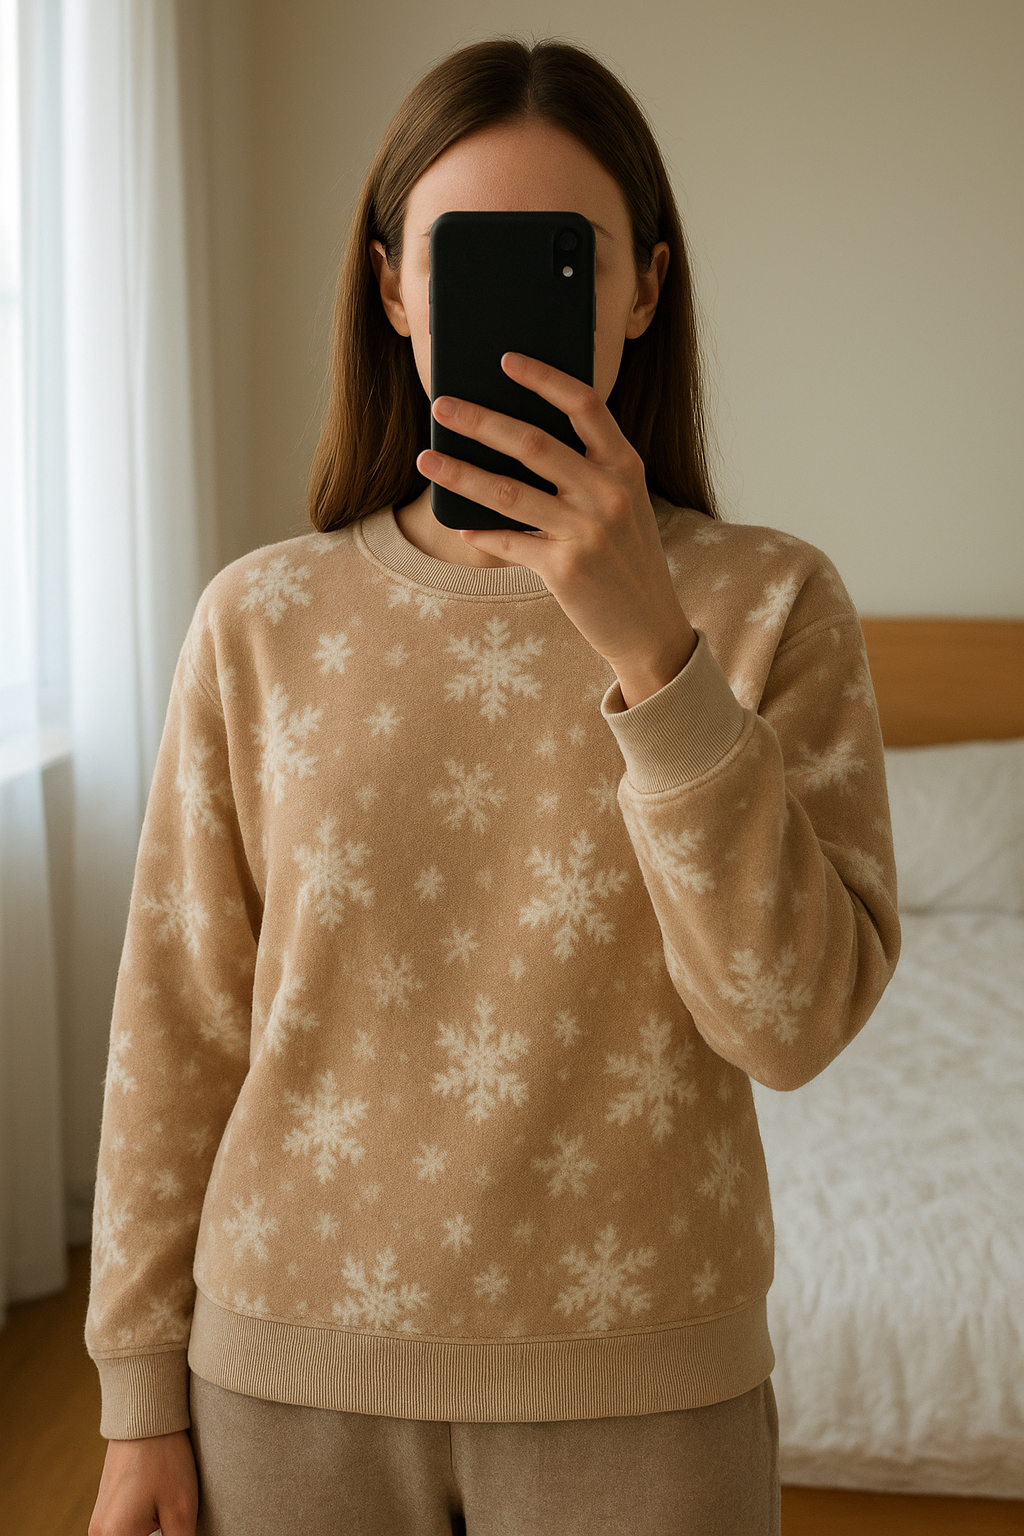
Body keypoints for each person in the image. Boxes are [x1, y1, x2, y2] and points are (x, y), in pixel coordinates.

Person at [85, 35, 900, 1536]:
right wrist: (137, 1393)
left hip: (646, 1385)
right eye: (460, 259)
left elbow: (789, 1024)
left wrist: (656, 648)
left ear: (642, 289)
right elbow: (176, 1024)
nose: (512, 306)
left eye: (564, 260)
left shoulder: (778, 605)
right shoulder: (258, 619)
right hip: (284, 1380)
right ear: (393, 288)